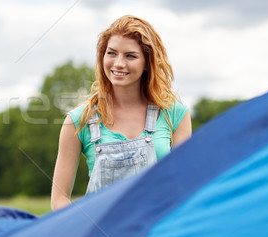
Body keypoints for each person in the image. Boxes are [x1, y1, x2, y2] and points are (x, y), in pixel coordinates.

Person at [51, 15, 192, 210]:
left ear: (147, 63)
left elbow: (183, 186)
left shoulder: (175, 113)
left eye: (130, 56)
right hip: (100, 234)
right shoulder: (77, 121)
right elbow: (59, 199)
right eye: (111, 53)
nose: (118, 63)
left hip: (156, 233)